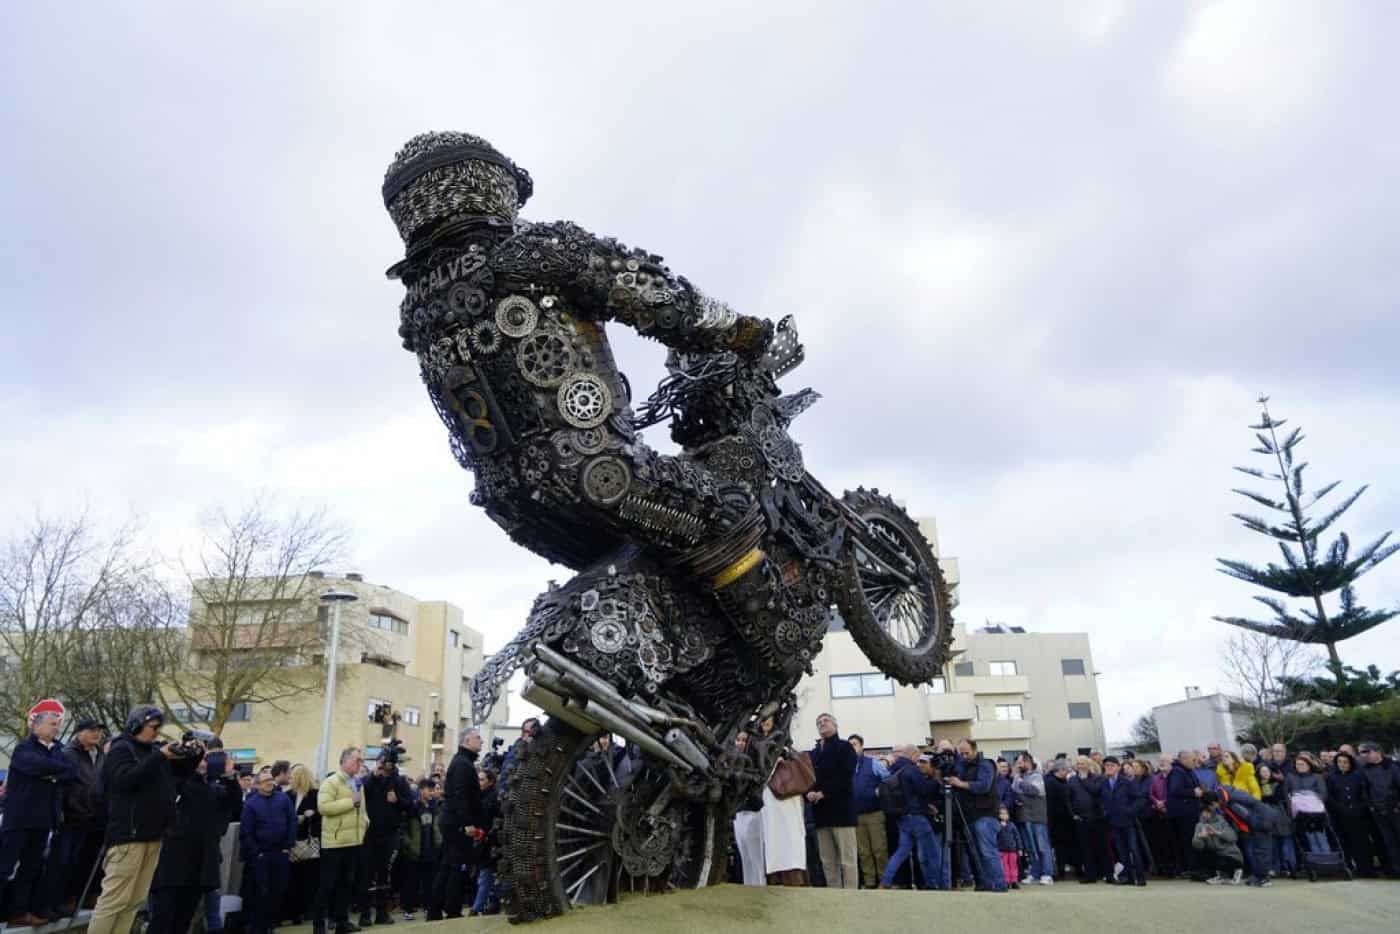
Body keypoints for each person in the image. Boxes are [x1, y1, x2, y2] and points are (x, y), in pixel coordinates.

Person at [88, 705, 188, 934]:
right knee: (113, 901)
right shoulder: (121, 748)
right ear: (137, 725)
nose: (156, 733)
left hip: (152, 835)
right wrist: (159, 756)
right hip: (128, 836)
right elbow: (124, 780)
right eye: (153, 727)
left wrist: (191, 756)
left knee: (133, 901)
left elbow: (175, 781)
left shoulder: (151, 751)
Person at [0, 699, 77, 928]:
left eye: (57, 724)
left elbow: (71, 772)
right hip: (19, 820)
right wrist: (52, 773)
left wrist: (50, 773)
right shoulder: (24, 748)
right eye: (53, 724)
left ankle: (18, 913)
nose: (57, 728)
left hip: (43, 820)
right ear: (37, 726)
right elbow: (37, 766)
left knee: (31, 868)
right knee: (4, 867)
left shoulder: (57, 750)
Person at [147, 755, 225, 934]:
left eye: (204, 759)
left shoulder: (208, 789)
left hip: (197, 866)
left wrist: (227, 776)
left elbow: (228, 802)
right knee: (162, 918)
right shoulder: (173, 782)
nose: (202, 763)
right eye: (197, 760)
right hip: (170, 867)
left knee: (183, 919)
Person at [46, 717, 105, 917]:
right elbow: (62, 786)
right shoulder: (68, 754)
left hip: (91, 818)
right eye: (91, 730)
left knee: (80, 861)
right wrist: (62, 811)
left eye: (98, 730)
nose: (96, 733)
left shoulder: (100, 754)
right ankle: (55, 901)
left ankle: (73, 897)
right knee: (61, 861)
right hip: (70, 817)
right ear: (79, 732)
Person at [432, 728, 484, 919]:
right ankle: (451, 909)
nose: (482, 741)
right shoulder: (463, 764)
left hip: (452, 821)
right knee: (456, 867)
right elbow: (461, 796)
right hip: (457, 824)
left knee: (447, 866)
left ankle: (436, 910)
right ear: (467, 740)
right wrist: (468, 823)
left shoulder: (463, 761)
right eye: (478, 738)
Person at [316, 747, 368, 934]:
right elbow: (323, 807)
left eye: (361, 760)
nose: (360, 764)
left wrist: (364, 824)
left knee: (346, 885)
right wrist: (350, 803)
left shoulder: (357, 783)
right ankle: (319, 924)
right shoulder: (331, 782)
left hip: (353, 842)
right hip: (334, 843)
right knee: (327, 885)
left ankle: (341, 922)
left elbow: (362, 810)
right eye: (356, 760)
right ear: (344, 761)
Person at [877, 748, 943, 890]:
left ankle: (885, 882)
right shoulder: (912, 771)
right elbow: (924, 790)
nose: (921, 763)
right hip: (917, 817)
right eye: (920, 759)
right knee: (933, 852)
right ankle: (937, 883)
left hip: (903, 817)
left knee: (901, 852)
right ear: (914, 756)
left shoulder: (899, 771)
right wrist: (936, 780)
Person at [241, 766, 296, 934]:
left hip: (281, 853)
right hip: (261, 855)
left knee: (279, 890)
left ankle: (270, 924)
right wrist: (257, 852)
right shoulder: (251, 804)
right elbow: (246, 831)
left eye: (271, 780)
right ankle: (259, 927)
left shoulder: (283, 799)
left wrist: (288, 846)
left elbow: (291, 821)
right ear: (257, 785)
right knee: (261, 892)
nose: (270, 783)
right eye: (265, 781)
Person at [360, 753, 413, 926]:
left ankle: (382, 912)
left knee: (385, 875)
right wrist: (374, 775)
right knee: (366, 874)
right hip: (369, 833)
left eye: (387, 764)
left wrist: (397, 801)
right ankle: (365, 913)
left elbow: (410, 805)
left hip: (390, 834)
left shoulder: (400, 781)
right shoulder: (370, 780)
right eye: (382, 763)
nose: (385, 767)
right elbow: (361, 791)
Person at [806, 713, 858, 889]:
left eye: (825, 721)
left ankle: (851, 897)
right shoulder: (813, 753)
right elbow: (808, 778)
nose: (822, 724)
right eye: (818, 722)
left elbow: (846, 776)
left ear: (835, 725)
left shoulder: (845, 747)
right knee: (827, 861)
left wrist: (824, 793)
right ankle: (833, 895)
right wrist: (809, 792)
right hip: (820, 814)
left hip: (842, 812)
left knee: (847, 860)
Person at [947, 738, 1006, 891]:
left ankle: (999, 885)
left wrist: (961, 783)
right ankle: (985, 884)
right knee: (975, 854)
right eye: (961, 753)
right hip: (968, 816)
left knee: (987, 852)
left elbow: (984, 786)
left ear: (974, 749)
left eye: (966, 753)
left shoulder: (986, 764)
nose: (964, 756)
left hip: (985, 815)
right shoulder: (961, 766)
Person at [757, 716, 807, 886]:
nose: (765, 722)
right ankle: (776, 878)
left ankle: (794, 878)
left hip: (787, 796)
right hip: (768, 798)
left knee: (790, 838)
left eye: (769, 719)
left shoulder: (786, 746)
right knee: (773, 838)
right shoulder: (755, 743)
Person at [848, 734, 889, 889]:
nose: (852, 747)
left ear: (862, 746)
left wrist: (879, 790)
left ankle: (884, 881)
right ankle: (870, 882)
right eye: (850, 745)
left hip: (874, 813)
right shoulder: (846, 767)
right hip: (856, 815)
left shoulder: (873, 763)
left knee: (879, 849)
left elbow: (888, 780)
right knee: (863, 852)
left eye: (855, 744)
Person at [399, 778, 441, 920]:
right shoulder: (412, 807)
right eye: (430, 790)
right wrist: (409, 845)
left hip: (430, 851)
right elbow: (403, 829)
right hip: (415, 852)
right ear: (422, 790)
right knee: (411, 882)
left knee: (429, 882)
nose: (432, 793)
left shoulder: (434, 807)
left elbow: (436, 828)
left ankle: (428, 907)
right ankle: (408, 909)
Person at [1326, 751, 1374, 876]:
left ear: (1350, 763)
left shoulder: (1358, 775)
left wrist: (1360, 807)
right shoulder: (1332, 777)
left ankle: (1365, 869)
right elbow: (1329, 797)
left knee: (1361, 843)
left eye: (1345, 762)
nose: (1342, 764)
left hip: (1358, 815)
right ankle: (1348, 868)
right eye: (1340, 762)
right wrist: (1339, 808)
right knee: (1344, 843)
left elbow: (1365, 794)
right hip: (1340, 816)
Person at [1101, 756, 1146, 886]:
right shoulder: (1104, 783)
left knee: (1133, 849)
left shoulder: (1126, 782)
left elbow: (1141, 798)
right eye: (1106, 765)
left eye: (1111, 765)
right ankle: (1128, 877)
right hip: (1114, 821)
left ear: (1118, 767)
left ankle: (1140, 877)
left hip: (1128, 821)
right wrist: (1105, 811)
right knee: (1122, 850)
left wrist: (1130, 810)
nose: (1108, 767)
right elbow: (1101, 799)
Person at [285, 763, 321, 925]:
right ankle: (294, 912)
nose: (290, 778)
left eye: (293, 776)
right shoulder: (288, 795)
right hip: (292, 842)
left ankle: (309, 910)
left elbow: (321, 815)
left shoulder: (315, 794)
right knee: (294, 879)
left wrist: (310, 815)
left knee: (310, 878)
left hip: (309, 841)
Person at [1358, 741, 1400, 875]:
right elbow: (1365, 790)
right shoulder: (1365, 770)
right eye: (1362, 753)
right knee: (1389, 842)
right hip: (1378, 811)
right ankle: (1397, 869)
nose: (1364, 755)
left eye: (1366, 752)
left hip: (1395, 809)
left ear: (1377, 751)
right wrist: (1371, 806)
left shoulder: (1393, 767)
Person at [1011, 753, 1052, 885]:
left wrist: (1019, 782)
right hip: (1024, 816)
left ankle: (1047, 873)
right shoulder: (1019, 777)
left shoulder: (1036, 776)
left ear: (1027, 762)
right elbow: (1015, 792)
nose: (1017, 766)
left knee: (1042, 846)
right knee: (1030, 848)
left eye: (1019, 762)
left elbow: (1034, 790)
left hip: (1037, 817)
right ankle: (1035, 872)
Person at [732, 731, 766, 887]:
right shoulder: (732, 761)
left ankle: (758, 887)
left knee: (755, 857)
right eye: (737, 740)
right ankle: (749, 887)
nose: (740, 743)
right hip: (738, 813)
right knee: (745, 856)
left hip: (753, 812)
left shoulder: (755, 762)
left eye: (743, 740)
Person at [1067, 756, 1107, 883]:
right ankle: (1090, 875)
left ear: (1089, 765)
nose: (1080, 766)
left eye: (1083, 763)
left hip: (1097, 817)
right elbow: (1069, 798)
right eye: (1078, 764)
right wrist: (1073, 814)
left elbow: (1096, 791)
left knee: (1101, 847)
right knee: (1085, 848)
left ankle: (1107, 873)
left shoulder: (1098, 778)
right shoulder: (1072, 780)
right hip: (1081, 819)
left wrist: (1084, 780)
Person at [1192, 792, 1244, 885]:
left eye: (1207, 812)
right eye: (1203, 812)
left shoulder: (1220, 820)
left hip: (1229, 854)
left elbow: (1233, 838)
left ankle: (1234, 871)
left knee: (1223, 858)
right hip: (1216, 853)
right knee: (1203, 855)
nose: (1205, 815)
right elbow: (1198, 846)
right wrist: (1199, 837)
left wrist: (1217, 833)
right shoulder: (1199, 825)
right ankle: (1222, 876)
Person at [1166, 750, 1203, 876]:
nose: (1195, 762)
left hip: (1189, 812)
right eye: (1193, 760)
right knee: (1188, 841)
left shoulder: (1187, 771)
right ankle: (1191, 868)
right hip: (1183, 814)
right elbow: (1175, 789)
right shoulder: (1178, 772)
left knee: (1190, 840)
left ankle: (1192, 866)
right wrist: (1193, 793)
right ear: (1184, 759)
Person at [470, 768, 500, 917]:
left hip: (490, 841)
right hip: (483, 840)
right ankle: (492, 903)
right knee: (489, 875)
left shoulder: (494, 797)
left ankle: (477, 907)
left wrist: (489, 836)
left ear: (490, 781)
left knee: (486, 875)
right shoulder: (480, 797)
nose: (479, 782)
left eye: (482, 779)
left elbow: (497, 819)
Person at [1257, 764, 1296, 877]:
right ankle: (1276, 868)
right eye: (1262, 771)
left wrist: (1265, 786)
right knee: (1273, 844)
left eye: (1267, 771)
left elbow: (1271, 797)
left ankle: (1291, 867)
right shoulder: (1258, 785)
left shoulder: (1277, 784)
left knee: (1286, 842)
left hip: (1280, 815)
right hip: (1267, 815)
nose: (1265, 773)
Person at [1045, 758, 1075, 879]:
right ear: (1061, 769)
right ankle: (1061, 870)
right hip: (1056, 820)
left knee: (1066, 846)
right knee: (1059, 847)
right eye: (1067, 769)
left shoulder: (1063, 781)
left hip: (1066, 819)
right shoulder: (1051, 782)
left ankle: (1067, 868)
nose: (1068, 771)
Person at [995, 807, 1021, 889]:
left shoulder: (1012, 825)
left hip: (1012, 850)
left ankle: (1014, 881)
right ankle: (1006, 881)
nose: (1004, 815)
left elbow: (1017, 837)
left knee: (1013, 866)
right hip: (1002, 850)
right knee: (1004, 866)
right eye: (1002, 814)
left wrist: (1019, 848)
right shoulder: (997, 825)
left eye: (1006, 813)